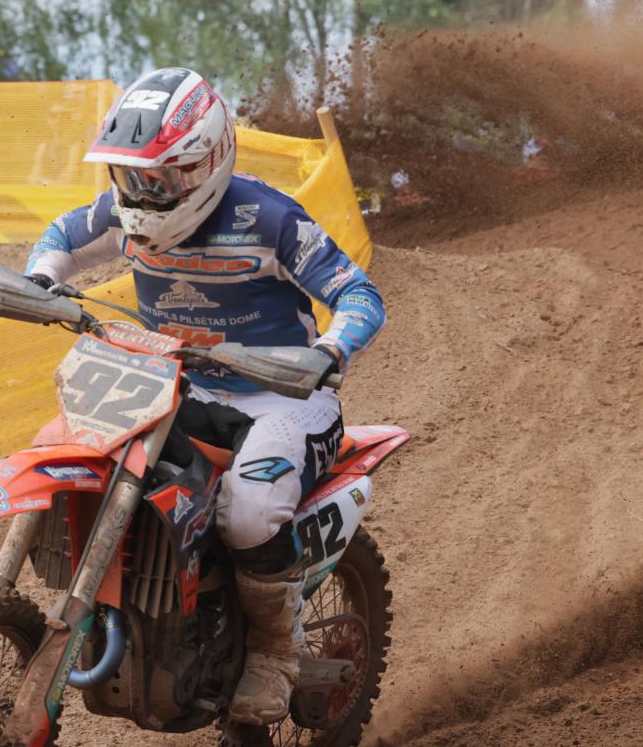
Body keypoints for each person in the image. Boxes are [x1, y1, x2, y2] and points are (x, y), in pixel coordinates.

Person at [23, 67, 386, 725]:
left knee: (247, 511)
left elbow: (359, 294)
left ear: (203, 165)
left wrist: (328, 352)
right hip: (178, 387)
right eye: (130, 176)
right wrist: (41, 279)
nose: (139, 195)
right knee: (77, 446)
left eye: (158, 179)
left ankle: (277, 651)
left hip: (282, 397)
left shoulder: (269, 218)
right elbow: (62, 238)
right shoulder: (121, 213)